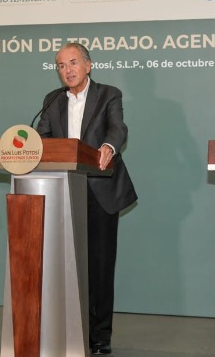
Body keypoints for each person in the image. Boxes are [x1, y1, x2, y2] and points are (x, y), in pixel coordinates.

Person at [36, 43, 138, 355]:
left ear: (88, 65)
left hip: (100, 191)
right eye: (61, 65)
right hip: (63, 190)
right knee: (65, 264)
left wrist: (109, 146)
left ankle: (99, 337)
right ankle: (67, 329)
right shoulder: (52, 100)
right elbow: (42, 139)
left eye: (73, 63)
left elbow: (117, 127)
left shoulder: (109, 94)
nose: (67, 70)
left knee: (100, 266)